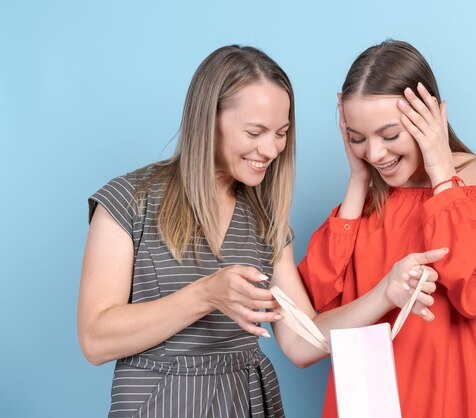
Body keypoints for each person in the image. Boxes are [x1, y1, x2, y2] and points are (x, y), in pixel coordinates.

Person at [78, 44, 446, 418]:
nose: (271, 149)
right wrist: (206, 295)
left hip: (246, 404)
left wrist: (387, 292)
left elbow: (305, 344)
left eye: (281, 133)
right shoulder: (129, 201)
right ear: (208, 120)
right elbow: (95, 340)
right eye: (255, 131)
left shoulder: (263, 221)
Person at [298, 40, 476, 418]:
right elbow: (319, 306)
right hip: (371, 401)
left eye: (389, 136)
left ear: (430, 117)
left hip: (462, 396)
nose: (374, 154)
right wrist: (357, 182)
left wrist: (440, 170)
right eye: (357, 139)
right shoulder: (367, 201)